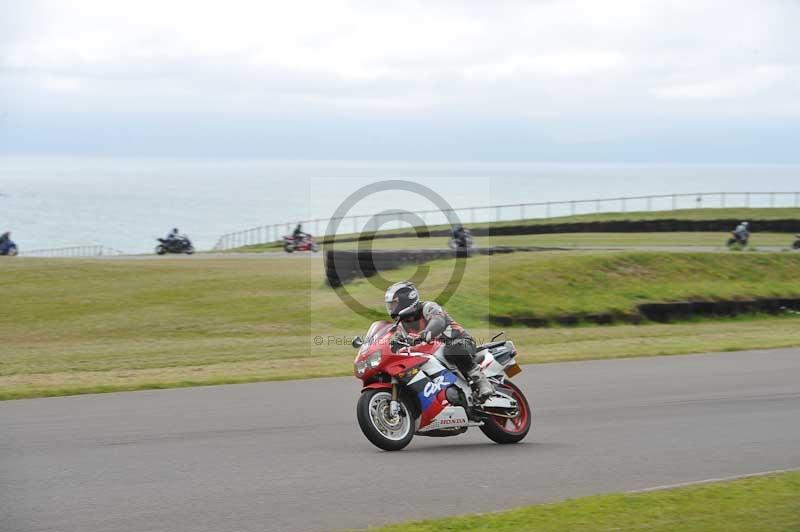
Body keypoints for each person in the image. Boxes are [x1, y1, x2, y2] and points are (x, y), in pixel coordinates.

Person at [384, 281, 493, 402]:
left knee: (453, 347)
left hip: (461, 342)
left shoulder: (428, 307)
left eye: (394, 304)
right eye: (390, 305)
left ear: (406, 300)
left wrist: (425, 334)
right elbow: (393, 341)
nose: (391, 308)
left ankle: (481, 381)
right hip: (433, 354)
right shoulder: (401, 325)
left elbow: (438, 321)